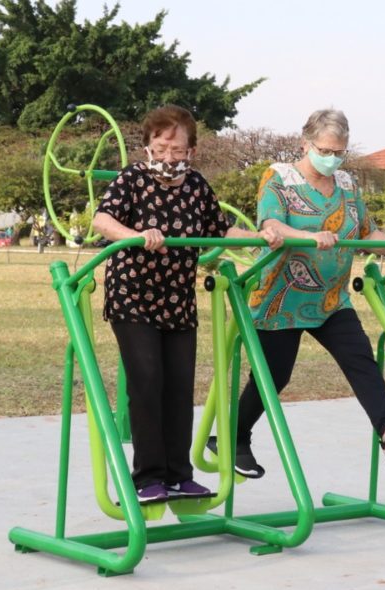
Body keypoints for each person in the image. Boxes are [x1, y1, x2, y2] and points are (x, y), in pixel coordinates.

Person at [214, 108, 385, 478]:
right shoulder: (279, 178)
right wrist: (310, 236)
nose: (332, 159)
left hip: (331, 299)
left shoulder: (348, 185)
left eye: (340, 152)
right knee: (272, 378)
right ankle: (233, 438)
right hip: (281, 299)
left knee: (360, 359)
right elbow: (271, 226)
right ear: (306, 143)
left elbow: (367, 233)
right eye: (325, 150)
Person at [92, 104, 283, 504]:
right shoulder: (133, 179)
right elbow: (102, 220)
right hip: (133, 296)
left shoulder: (195, 185)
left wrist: (258, 235)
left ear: (191, 151)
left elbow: (218, 228)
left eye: (177, 150)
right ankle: (147, 478)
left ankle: (180, 474)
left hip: (178, 299)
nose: (169, 157)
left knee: (179, 388)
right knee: (147, 383)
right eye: (161, 147)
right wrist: (136, 233)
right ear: (148, 145)